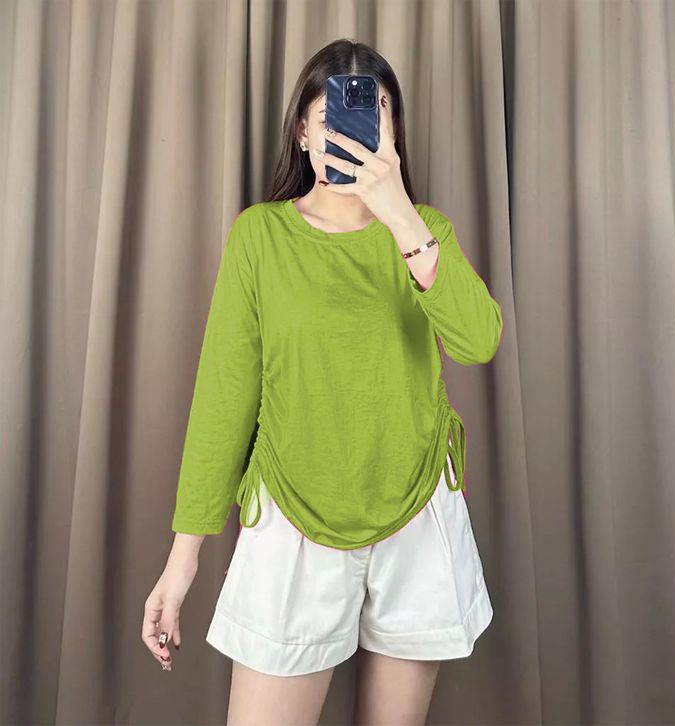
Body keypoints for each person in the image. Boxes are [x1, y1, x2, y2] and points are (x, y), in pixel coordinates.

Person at [142, 39, 503, 725]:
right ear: (303, 132)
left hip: (416, 513)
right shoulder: (260, 237)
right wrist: (182, 561)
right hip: (293, 513)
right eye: (330, 116)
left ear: (391, 132)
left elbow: (478, 340)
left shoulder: (425, 232)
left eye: (373, 114)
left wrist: (398, 212)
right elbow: (225, 399)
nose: (350, 132)